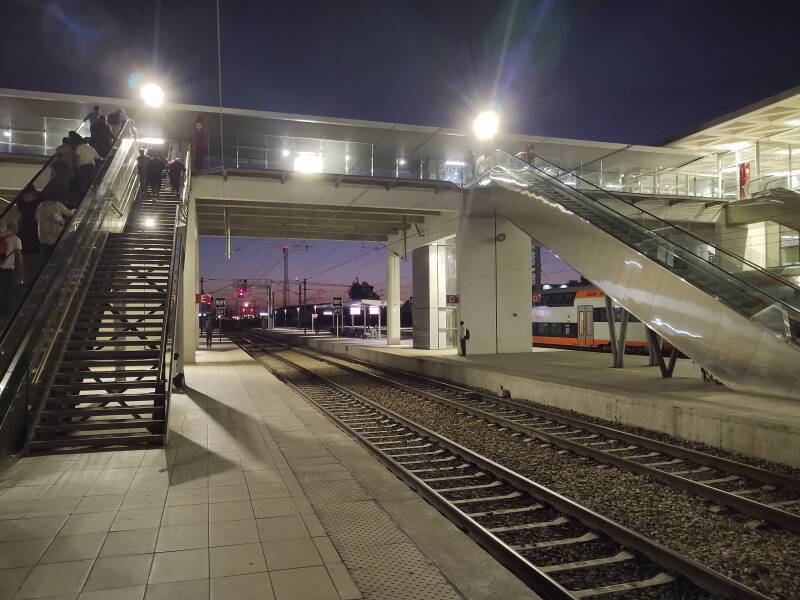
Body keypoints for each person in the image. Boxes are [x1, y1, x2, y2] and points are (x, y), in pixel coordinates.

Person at [0, 222, 23, 313]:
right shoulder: (16, 239)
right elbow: (18, 256)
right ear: (14, 229)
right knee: (8, 289)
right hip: (8, 268)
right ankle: (6, 310)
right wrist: (20, 272)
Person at [73, 139, 102, 205]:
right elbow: (99, 158)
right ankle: (91, 199)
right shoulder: (92, 149)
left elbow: (76, 157)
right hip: (91, 168)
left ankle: (80, 200)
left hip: (82, 168)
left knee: (82, 183)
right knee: (90, 183)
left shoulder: (79, 147)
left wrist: (75, 167)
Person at [17, 185, 42, 255]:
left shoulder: (22, 197)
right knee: (33, 236)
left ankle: (28, 251)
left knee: (27, 235)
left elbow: (19, 207)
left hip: (28, 220)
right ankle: (34, 251)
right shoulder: (38, 197)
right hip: (34, 220)